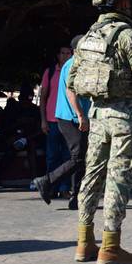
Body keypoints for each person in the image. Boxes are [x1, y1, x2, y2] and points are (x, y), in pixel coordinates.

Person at [67, 0, 132, 264]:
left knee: (91, 177)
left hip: (97, 116)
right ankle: (110, 247)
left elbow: (72, 81)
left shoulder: (88, 37)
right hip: (125, 120)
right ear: (122, 2)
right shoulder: (128, 37)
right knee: (118, 179)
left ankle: (84, 243)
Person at [32, 35, 91, 209]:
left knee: (81, 157)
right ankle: (46, 181)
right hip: (69, 117)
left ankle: (76, 198)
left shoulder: (80, 64)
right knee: (78, 157)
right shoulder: (73, 64)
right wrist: (80, 115)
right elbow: (70, 92)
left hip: (76, 117)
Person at [39, 44, 73, 197]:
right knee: (52, 156)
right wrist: (43, 120)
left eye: (68, 53)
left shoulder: (74, 71)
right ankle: (50, 187)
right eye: (63, 53)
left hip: (68, 120)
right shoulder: (50, 72)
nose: (65, 56)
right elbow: (43, 97)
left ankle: (64, 188)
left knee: (68, 156)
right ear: (58, 55)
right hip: (52, 120)